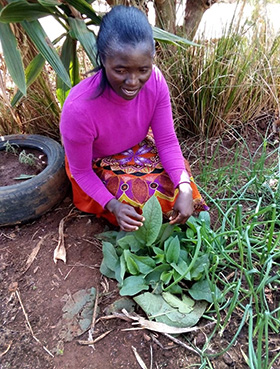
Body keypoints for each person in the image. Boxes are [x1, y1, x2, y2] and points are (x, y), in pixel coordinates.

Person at [60, 5, 208, 232]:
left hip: (137, 147)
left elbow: (167, 141)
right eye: (120, 70)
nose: (133, 81)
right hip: (93, 163)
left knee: (180, 183)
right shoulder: (78, 108)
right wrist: (113, 205)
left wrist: (185, 186)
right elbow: (81, 171)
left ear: (152, 59)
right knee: (136, 197)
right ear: (103, 59)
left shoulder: (156, 82)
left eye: (143, 70)